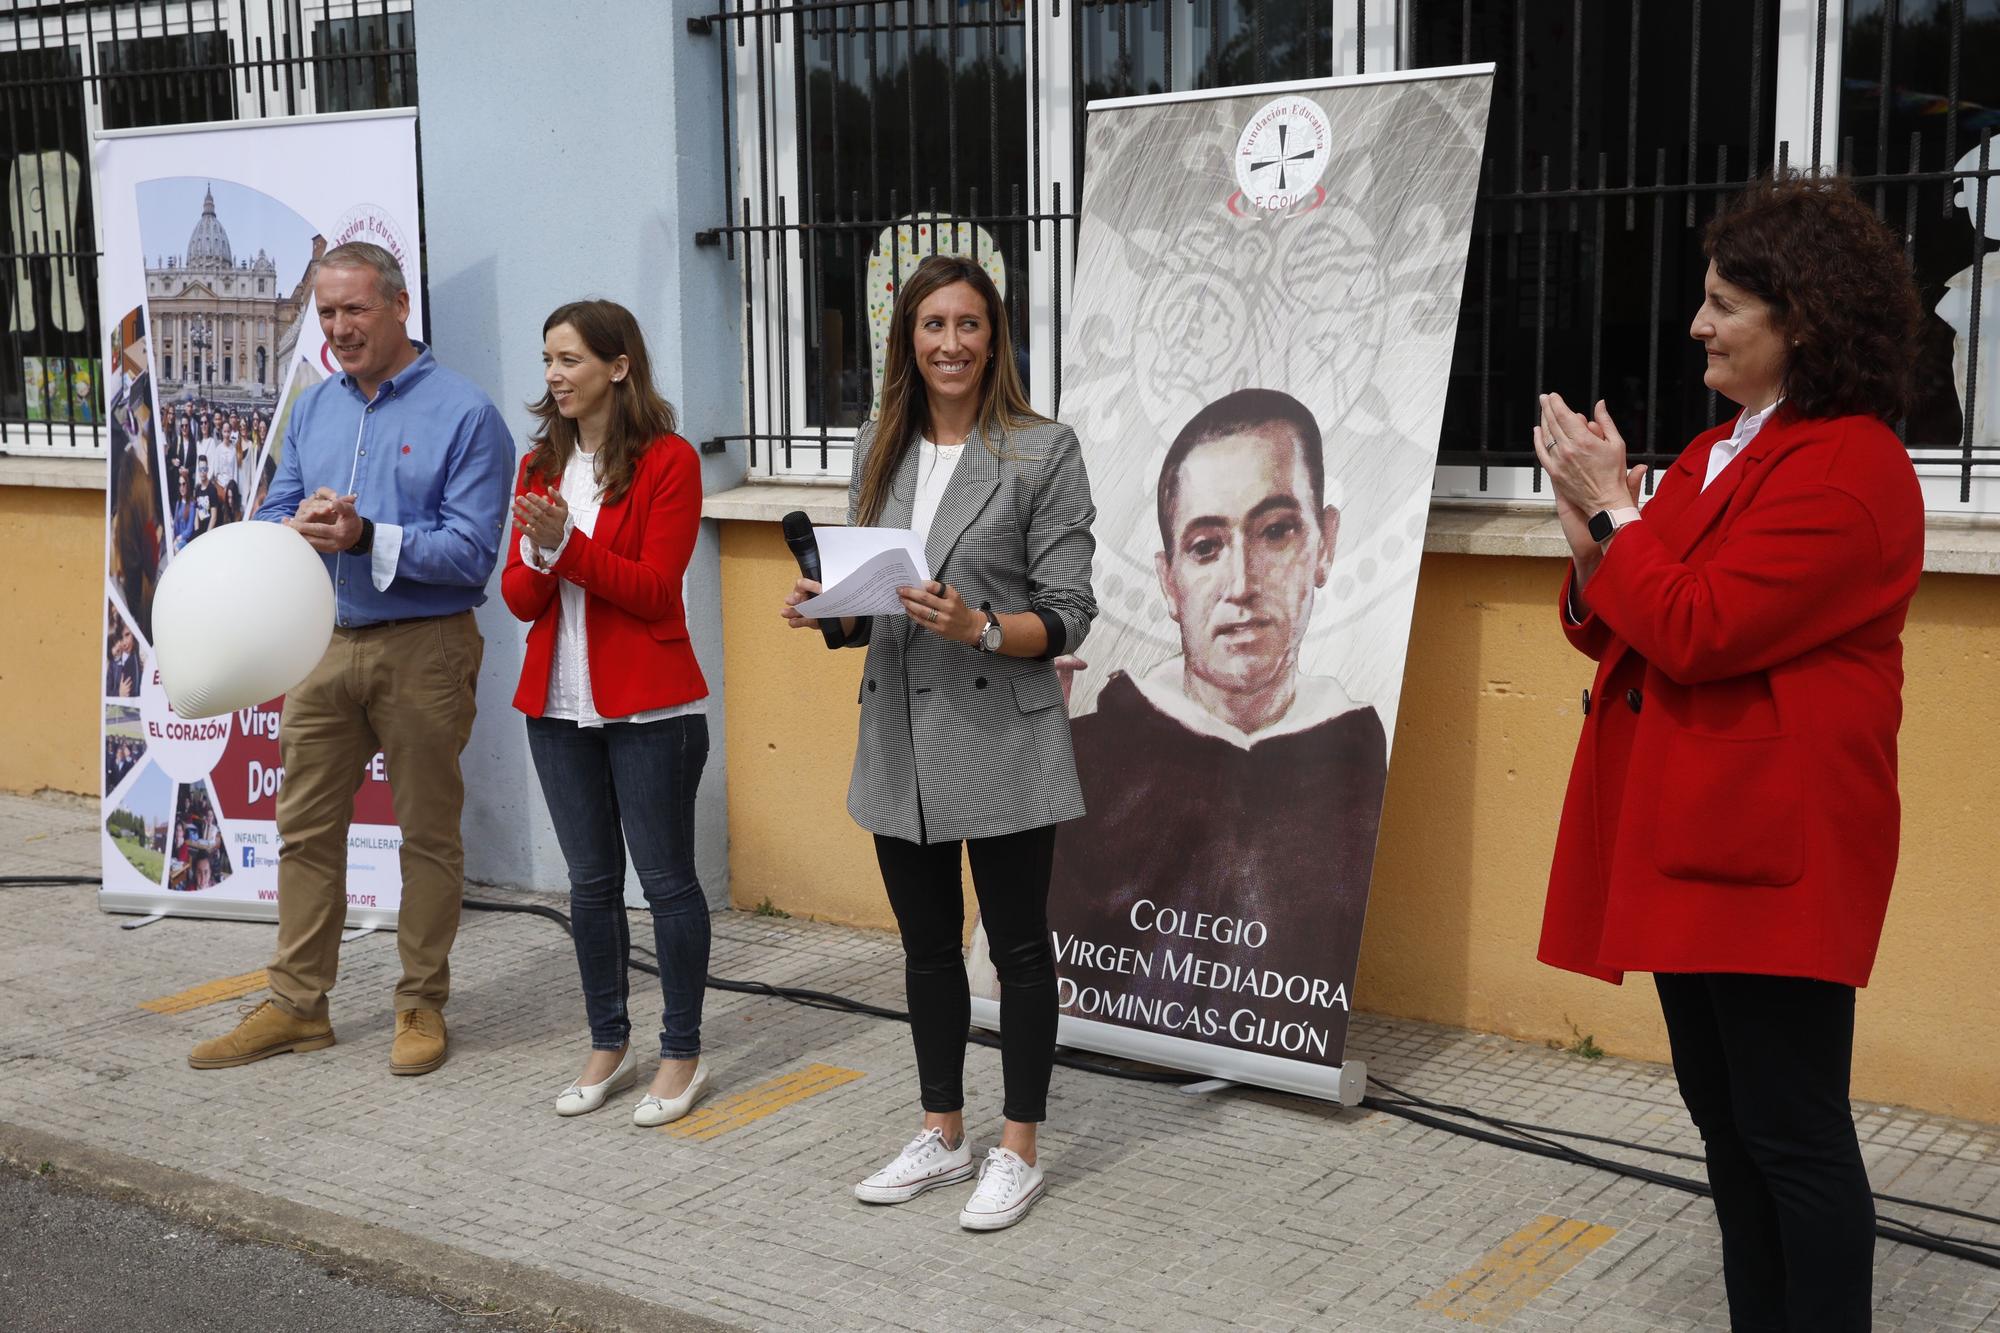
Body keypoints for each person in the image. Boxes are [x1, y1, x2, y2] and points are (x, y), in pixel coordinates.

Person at [1533, 173, 1924, 1333]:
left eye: (1719, 304)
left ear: (1797, 316)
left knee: (1792, 1135)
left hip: (1767, 857)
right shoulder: (1718, 453)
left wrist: (1617, 515)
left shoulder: (1851, 467)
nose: (1695, 325)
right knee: (1723, 1125)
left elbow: (1699, 630)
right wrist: (1587, 529)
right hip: (1688, 840)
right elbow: (1632, 613)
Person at [781, 254, 1097, 1231]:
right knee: (925, 952)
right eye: (931, 326)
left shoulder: (1040, 450)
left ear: (993, 337)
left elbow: (1070, 612)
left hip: (999, 729)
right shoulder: (881, 442)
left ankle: (1018, 1147)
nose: (950, 343)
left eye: (967, 325)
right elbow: (871, 591)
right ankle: (942, 1131)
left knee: (1015, 951)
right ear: (905, 341)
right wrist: (825, 609)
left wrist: (982, 628)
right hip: (898, 735)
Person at [189, 241, 514, 1077]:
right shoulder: (313, 407)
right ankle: (299, 1005)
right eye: (327, 313)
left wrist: (370, 535)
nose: (338, 329)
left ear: (400, 307)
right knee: (303, 830)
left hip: (426, 644)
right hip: (324, 641)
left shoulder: (467, 414)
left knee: (428, 835)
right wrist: (300, 521)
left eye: (355, 310)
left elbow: (472, 553)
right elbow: (278, 504)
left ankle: (419, 1002)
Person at [1040, 388, 1387, 1062]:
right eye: (1205, 545)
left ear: (1326, 543)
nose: (1241, 583)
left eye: (1277, 530)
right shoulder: (1088, 757)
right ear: (1169, 581)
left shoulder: (1363, 762)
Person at [500, 300, 713, 1126]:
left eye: (569, 360)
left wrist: (566, 547)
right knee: (590, 885)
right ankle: (606, 1040)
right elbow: (520, 598)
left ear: (618, 366)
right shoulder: (537, 467)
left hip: (651, 708)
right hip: (556, 706)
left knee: (665, 884)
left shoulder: (669, 462)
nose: (553, 376)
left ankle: (683, 1051)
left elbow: (657, 591)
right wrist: (544, 552)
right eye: (548, 359)